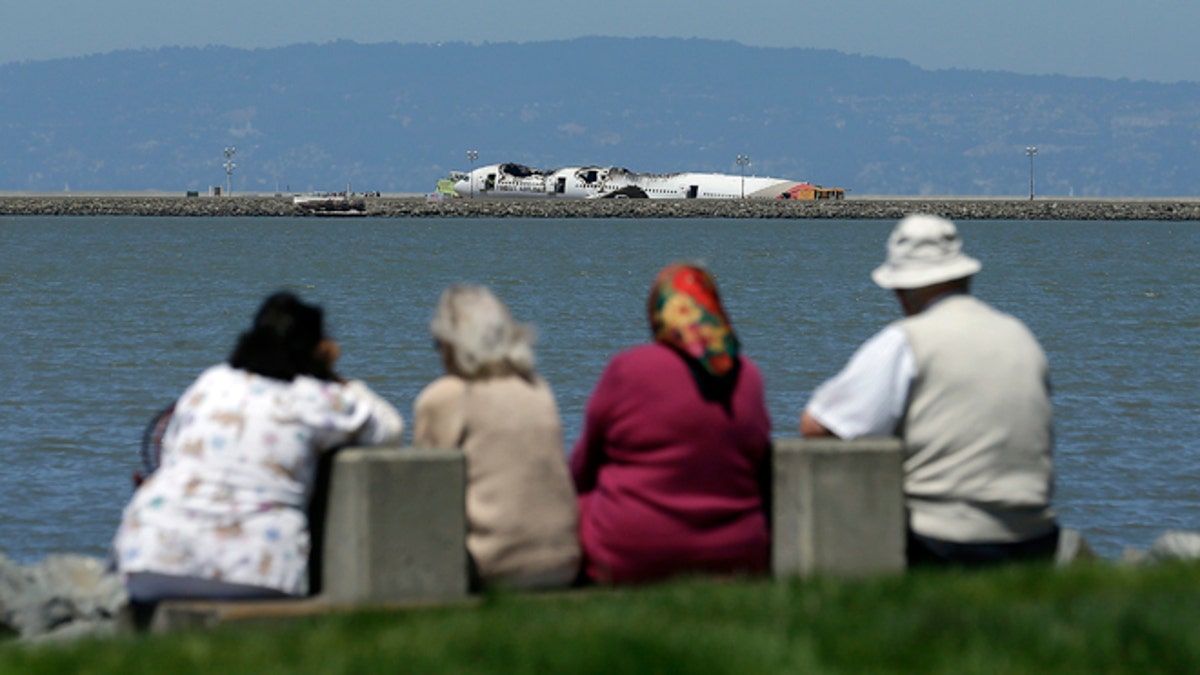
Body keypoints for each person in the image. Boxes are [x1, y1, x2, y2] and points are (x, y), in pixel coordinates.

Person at [800, 214, 1058, 567]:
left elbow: (817, 426)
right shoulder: (1021, 336)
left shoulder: (906, 341)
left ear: (901, 288)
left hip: (943, 540)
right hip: (1035, 538)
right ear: (965, 275)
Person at [112, 291, 404, 601]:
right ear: (318, 350)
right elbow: (389, 428)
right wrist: (335, 377)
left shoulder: (212, 382)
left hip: (147, 557)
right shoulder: (318, 398)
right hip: (257, 569)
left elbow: (170, 452)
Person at [570, 263, 772, 585]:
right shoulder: (748, 376)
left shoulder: (629, 368)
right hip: (737, 554)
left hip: (632, 551)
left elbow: (584, 467)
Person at [413, 285, 579, 591]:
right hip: (562, 561)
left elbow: (423, 499)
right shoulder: (538, 389)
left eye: (438, 344)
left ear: (452, 344)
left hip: (493, 565)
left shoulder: (445, 397)